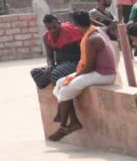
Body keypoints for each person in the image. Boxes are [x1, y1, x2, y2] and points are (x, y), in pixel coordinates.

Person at [48, 11, 117, 142]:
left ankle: (63, 127)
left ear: (76, 25)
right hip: (95, 71)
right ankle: (73, 120)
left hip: (104, 74)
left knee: (66, 89)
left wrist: (74, 77)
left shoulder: (92, 38)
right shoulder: (94, 30)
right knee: (59, 84)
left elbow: (89, 67)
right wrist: (72, 77)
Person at [30, 14, 83, 89]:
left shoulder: (70, 31)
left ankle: (53, 82)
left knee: (55, 75)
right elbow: (50, 56)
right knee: (35, 72)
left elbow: (84, 48)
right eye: (49, 28)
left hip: (75, 62)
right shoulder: (46, 37)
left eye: (54, 27)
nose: (53, 30)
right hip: (60, 65)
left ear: (59, 23)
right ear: (46, 28)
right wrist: (50, 66)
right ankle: (52, 80)